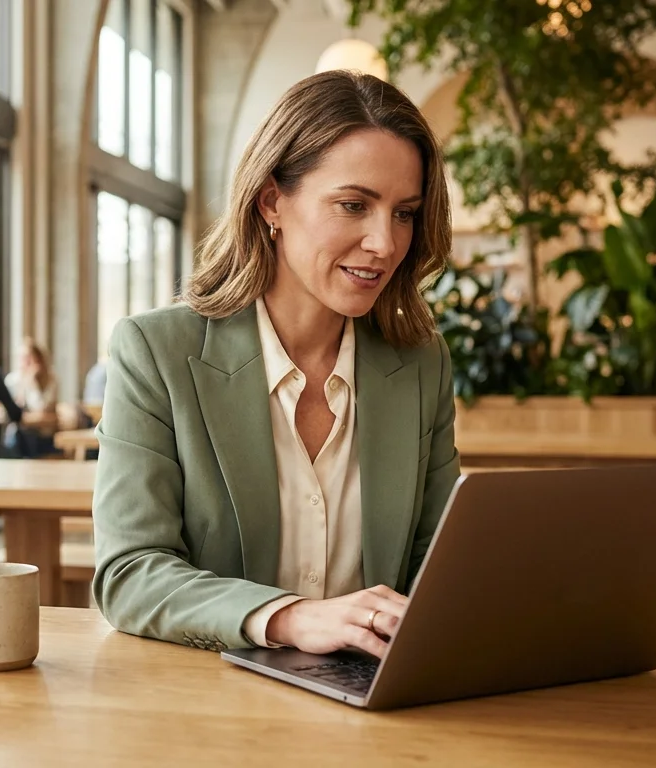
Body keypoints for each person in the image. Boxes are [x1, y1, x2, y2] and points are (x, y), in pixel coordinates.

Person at [91, 70, 459, 655]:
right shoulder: (157, 352)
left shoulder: (419, 363)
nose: (385, 243)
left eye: (404, 213)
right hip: (209, 707)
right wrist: (289, 617)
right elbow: (129, 573)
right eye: (353, 205)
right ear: (272, 202)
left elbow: (436, 564)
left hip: (375, 712)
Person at [4, 338, 59, 458]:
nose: (24, 362)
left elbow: (41, 409)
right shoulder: (12, 380)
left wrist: (31, 383)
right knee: (15, 435)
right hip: (20, 434)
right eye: (22, 358)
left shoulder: (50, 380)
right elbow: (11, 413)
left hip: (43, 435)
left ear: (39, 360)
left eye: (29, 358)